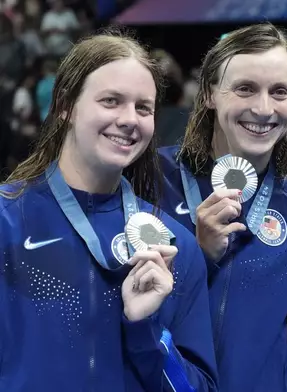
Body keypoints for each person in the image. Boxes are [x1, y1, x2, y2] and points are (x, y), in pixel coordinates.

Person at [0, 30, 217, 391]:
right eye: (111, 101)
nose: (129, 119)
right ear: (65, 106)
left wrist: (146, 329)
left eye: (143, 107)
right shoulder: (7, 221)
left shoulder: (174, 245)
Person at [156, 24, 287, 392]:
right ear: (211, 93)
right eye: (245, 88)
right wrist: (195, 257)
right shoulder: (150, 185)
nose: (263, 109)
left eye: (280, 92)